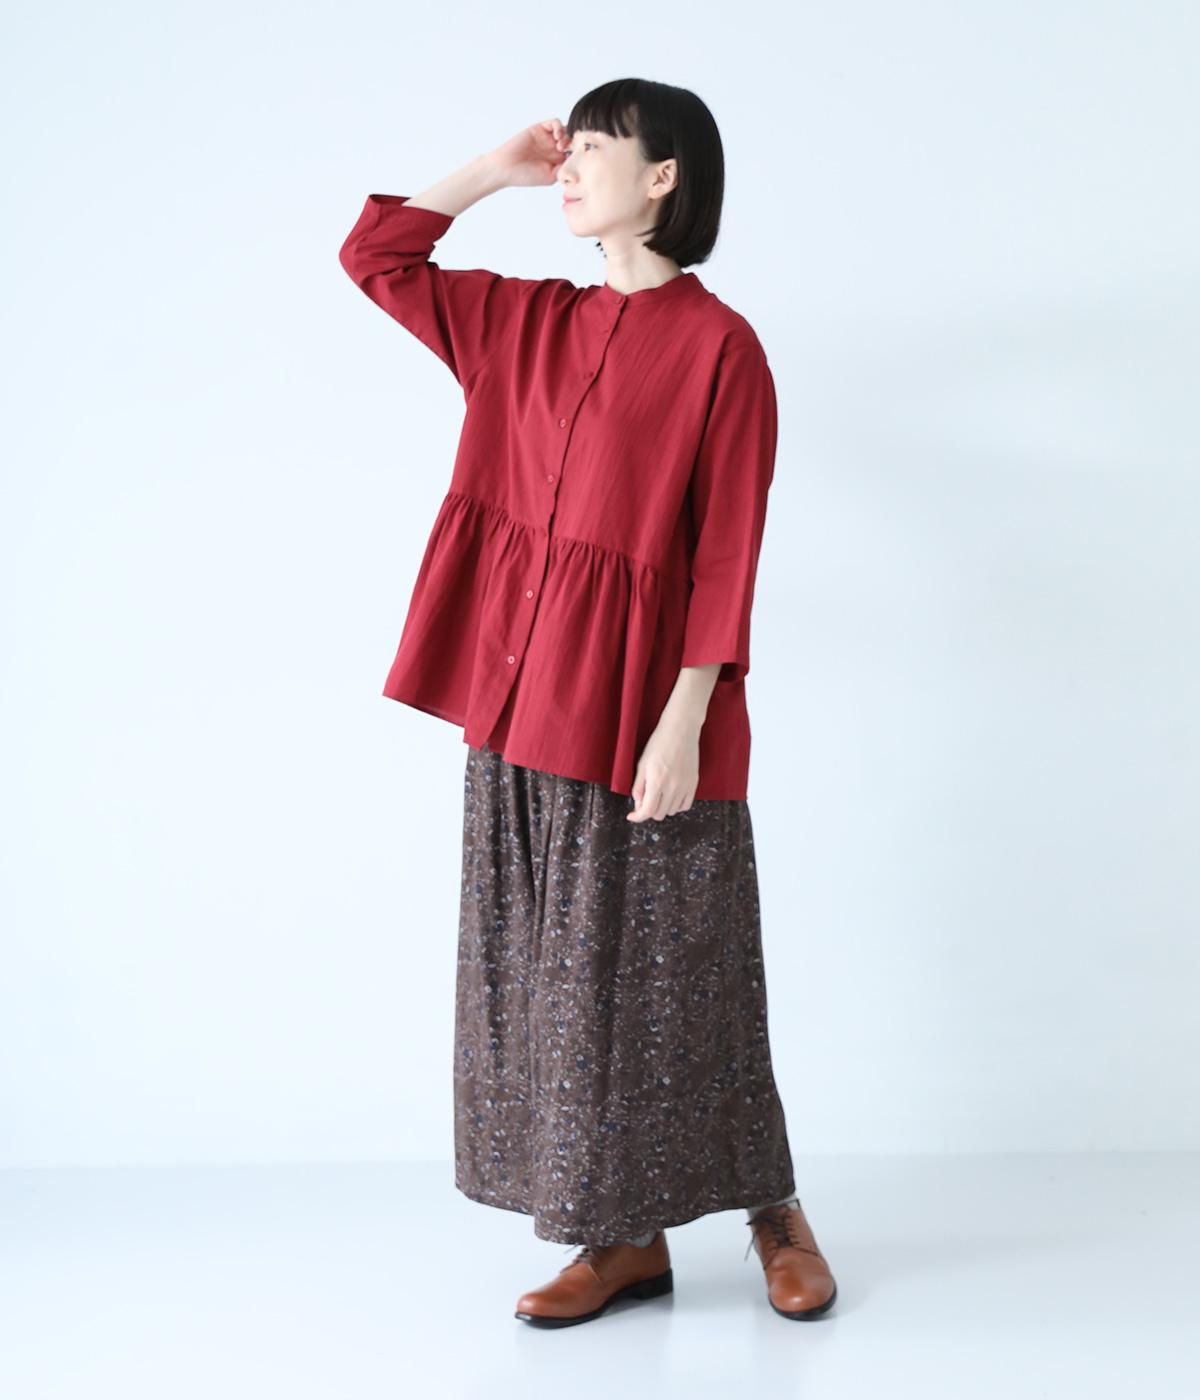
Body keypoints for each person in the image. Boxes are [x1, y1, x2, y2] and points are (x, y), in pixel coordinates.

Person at [338, 77, 837, 1327]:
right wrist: (492, 170)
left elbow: (726, 551)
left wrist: (685, 716)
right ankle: (620, 1242)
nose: (569, 169)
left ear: (664, 176)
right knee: (562, 985)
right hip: (521, 694)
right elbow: (376, 255)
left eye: (594, 148)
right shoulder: (521, 322)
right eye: (567, 152)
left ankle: (774, 1208)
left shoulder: (722, 349)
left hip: (646, 714)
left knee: (690, 976)